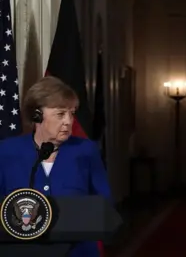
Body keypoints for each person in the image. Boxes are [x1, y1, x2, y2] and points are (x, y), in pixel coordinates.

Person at [0, 76, 111, 257]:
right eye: (60, 114)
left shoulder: (86, 150)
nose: (69, 121)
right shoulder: (6, 152)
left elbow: (104, 204)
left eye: (72, 113)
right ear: (37, 115)